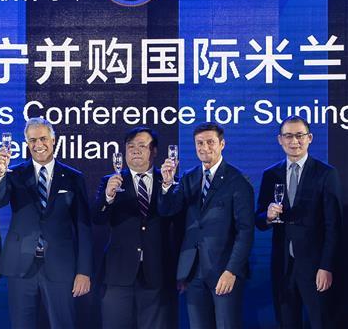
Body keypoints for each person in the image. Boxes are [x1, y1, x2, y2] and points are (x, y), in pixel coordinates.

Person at [0, 117, 92, 329]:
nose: (38, 145)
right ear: (27, 143)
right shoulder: (14, 174)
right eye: (32, 140)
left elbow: (83, 227)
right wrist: (0, 175)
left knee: (63, 324)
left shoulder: (73, 177)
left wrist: (84, 271)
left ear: (53, 140)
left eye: (43, 138)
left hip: (60, 266)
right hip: (21, 265)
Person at [158, 122, 254, 329]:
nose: (204, 147)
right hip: (192, 273)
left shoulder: (237, 180)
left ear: (222, 144)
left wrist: (231, 270)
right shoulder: (188, 178)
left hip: (224, 270)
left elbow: (245, 231)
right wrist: (166, 185)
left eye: (210, 142)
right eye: (199, 143)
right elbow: (168, 211)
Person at [255, 115, 342, 329]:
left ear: (310, 138)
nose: (294, 141)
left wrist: (326, 266)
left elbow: (334, 226)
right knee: (286, 322)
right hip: (283, 266)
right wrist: (267, 216)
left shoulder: (326, 173)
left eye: (299, 135)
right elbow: (258, 219)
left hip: (315, 267)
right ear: (280, 140)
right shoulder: (270, 174)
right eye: (288, 136)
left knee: (320, 321)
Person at [92, 127, 178, 329]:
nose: (136, 151)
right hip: (118, 273)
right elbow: (97, 219)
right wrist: (108, 197)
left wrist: (167, 187)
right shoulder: (110, 181)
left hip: (156, 272)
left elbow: (172, 216)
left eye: (142, 146)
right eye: (131, 147)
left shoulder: (168, 180)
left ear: (155, 151)